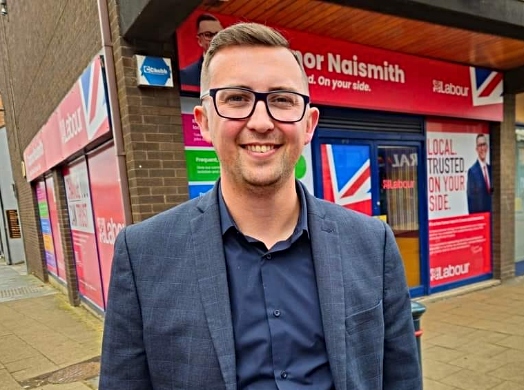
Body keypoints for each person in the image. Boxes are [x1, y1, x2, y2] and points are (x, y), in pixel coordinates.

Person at [100, 22, 421, 389]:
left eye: (282, 100)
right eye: (236, 98)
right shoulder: (143, 254)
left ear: (309, 124)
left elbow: (401, 378)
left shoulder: (372, 242)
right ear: (204, 122)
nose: (261, 121)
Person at [179, 13, 223, 87]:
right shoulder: (187, 74)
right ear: (199, 41)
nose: (215, 39)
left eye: (218, 34)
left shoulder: (237, 69)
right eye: (208, 35)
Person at [467, 133, 492, 214]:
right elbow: (470, 200)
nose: (482, 148)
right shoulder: (472, 172)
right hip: (480, 219)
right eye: (480, 145)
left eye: (484, 145)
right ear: (476, 149)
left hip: (490, 218)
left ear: (487, 147)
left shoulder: (490, 169)